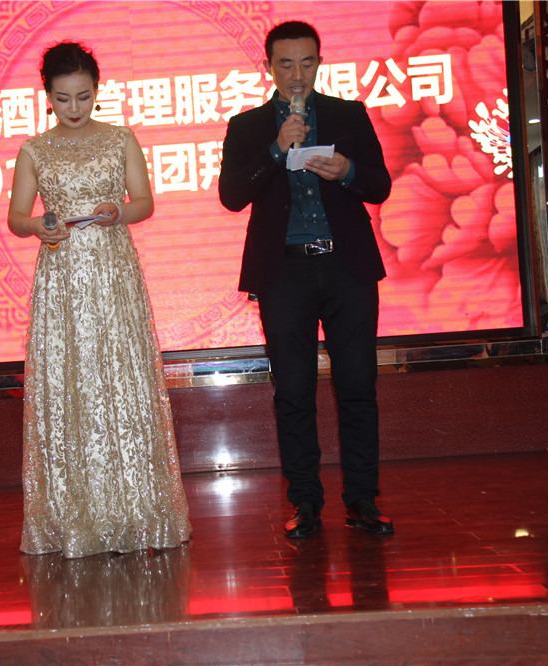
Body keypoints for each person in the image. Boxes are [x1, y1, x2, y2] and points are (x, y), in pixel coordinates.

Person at [7, 41, 191, 559]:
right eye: (62, 98)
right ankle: (75, 517)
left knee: (121, 378)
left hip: (113, 273)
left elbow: (144, 202)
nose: (74, 107)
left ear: (97, 91)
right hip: (62, 277)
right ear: (47, 95)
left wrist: (118, 213)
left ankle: (138, 513)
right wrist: (38, 226)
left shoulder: (120, 138)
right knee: (70, 383)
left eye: (83, 96)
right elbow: (16, 217)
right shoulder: (34, 150)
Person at [218, 21, 394, 537]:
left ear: (319, 62)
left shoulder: (348, 114)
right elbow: (232, 195)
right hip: (284, 273)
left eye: (307, 62)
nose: (297, 74)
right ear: (269, 67)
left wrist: (348, 172)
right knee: (293, 391)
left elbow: (380, 185)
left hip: (347, 268)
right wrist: (276, 150)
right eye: (286, 64)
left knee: (357, 386)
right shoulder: (247, 126)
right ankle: (305, 502)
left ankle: (362, 500)